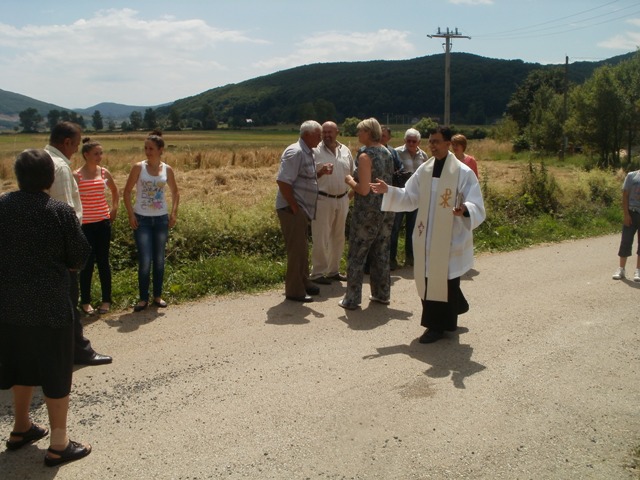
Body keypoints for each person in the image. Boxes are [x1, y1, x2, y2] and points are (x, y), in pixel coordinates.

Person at [0, 149, 92, 466]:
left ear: (18, 175)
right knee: (55, 373)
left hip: (9, 306)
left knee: (20, 366)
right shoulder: (59, 212)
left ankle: (21, 427)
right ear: (51, 178)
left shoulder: (1, 207)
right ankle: (59, 443)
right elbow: (79, 258)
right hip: (50, 307)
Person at [371, 126, 485, 343]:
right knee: (428, 278)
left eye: (437, 141)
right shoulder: (425, 169)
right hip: (426, 235)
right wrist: (390, 190)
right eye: (430, 141)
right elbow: (410, 195)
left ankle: (436, 327)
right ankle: (456, 306)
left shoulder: (462, 172)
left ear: (448, 144)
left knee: (444, 279)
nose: (432, 145)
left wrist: (466, 209)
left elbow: (475, 201)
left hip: (449, 235)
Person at [45, 121, 112, 366]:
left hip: (44, 245)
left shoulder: (41, 158)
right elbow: (68, 213)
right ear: (66, 142)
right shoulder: (61, 167)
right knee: (68, 300)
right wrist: (74, 252)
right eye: (75, 144)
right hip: (61, 247)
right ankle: (78, 351)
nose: (75, 150)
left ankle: (51, 349)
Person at [339, 118, 395, 310]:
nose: (357, 134)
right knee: (381, 252)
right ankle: (382, 294)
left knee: (357, 253)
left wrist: (349, 180)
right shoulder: (387, 153)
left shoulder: (365, 156)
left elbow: (363, 189)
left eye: (360, 131)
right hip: (386, 208)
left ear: (369, 133)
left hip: (367, 212)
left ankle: (352, 299)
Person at [123, 130, 180, 312]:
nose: (147, 151)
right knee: (145, 260)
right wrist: (131, 214)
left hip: (161, 219)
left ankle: (157, 296)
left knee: (159, 259)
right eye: (146, 148)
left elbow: (175, 192)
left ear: (160, 149)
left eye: (151, 148)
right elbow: (126, 192)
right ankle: (142, 298)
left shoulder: (167, 169)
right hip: (142, 220)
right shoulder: (138, 168)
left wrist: (173, 213)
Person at [275, 120, 322, 302]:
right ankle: (294, 291)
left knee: (302, 249)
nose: (320, 138)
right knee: (296, 250)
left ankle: (303, 281)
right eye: (318, 135)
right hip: (293, 209)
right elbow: (283, 181)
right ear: (307, 135)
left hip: (301, 209)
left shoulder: (307, 151)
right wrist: (294, 206)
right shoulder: (296, 152)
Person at [74, 138, 119, 315]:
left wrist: (114, 209)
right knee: (86, 264)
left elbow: (116, 191)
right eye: (96, 153)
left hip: (102, 223)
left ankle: (106, 300)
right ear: (86, 155)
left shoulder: (104, 173)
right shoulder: (76, 175)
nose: (100, 156)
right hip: (85, 226)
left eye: (101, 153)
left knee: (103, 262)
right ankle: (85, 302)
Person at [309, 121, 354, 285]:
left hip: (342, 199)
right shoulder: (315, 151)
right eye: (324, 132)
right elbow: (306, 176)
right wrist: (320, 172)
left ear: (337, 133)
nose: (327, 135)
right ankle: (318, 272)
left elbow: (352, 173)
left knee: (338, 236)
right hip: (322, 199)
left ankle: (333, 270)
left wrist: (350, 195)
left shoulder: (345, 150)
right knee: (320, 237)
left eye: (330, 132)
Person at [391, 128, 428, 269]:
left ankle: (410, 259)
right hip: (400, 196)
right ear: (404, 140)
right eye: (408, 141)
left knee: (413, 229)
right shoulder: (396, 152)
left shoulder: (423, 156)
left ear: (419, 142)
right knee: (395, 228)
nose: (411, 143)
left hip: (416, 197)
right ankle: (392, 259)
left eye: (414, 141)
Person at [612, 169, 640, 282]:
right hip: (632, 213)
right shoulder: (632, 176)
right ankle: (621, 269)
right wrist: (626, 214)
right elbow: (625, 195)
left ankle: (638, 270)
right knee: (626, 241)